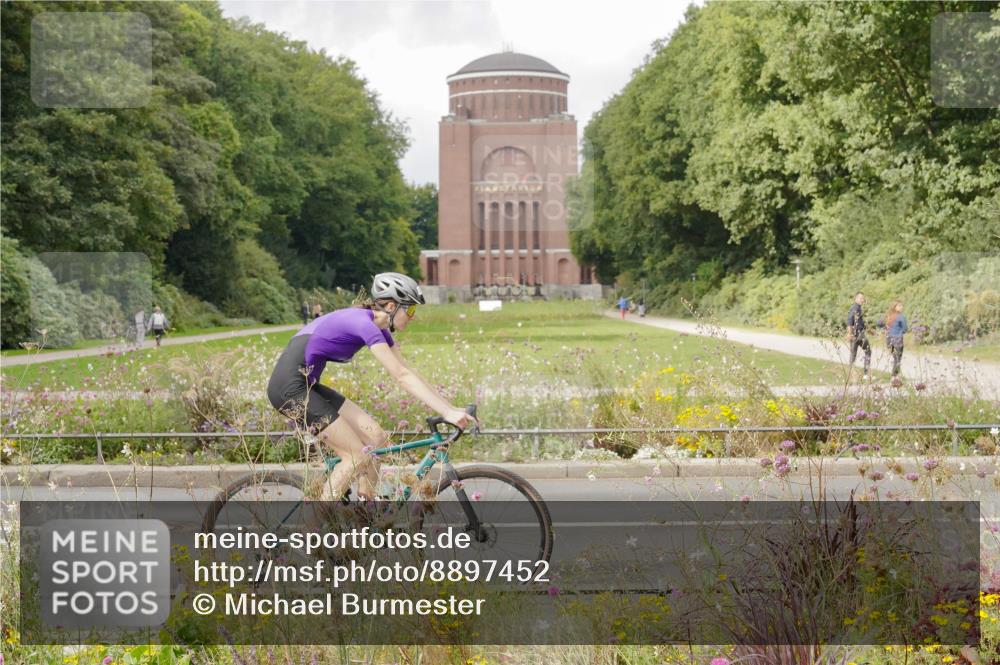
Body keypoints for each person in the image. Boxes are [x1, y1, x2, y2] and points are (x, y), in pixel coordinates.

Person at [267, 272, 478, 505]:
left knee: (376, 439)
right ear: (390, 306)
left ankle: (367, 515)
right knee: (355, 456)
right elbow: (401, 376)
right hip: (288, 389)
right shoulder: (363, 323)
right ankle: (314, 533)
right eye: (409, 310)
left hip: (306, 385)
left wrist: (449, 408)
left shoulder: (379, 329)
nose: (413, 317)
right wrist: (448, 413)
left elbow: (407, 370)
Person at [846, 292, 872, 380]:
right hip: (857, 335)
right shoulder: (855, 308)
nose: (862, 300)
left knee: (854, 355)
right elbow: (850, 322)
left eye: (863, 298)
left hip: (859, 335)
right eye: (860, 298)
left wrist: (870, 331)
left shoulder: (858, 308)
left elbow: (861, 323)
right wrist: (849, 334)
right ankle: (862, 374)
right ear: (856, 299)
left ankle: (854, 375)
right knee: (867, 351)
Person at [885, 301, 909, 378]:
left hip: (889, 340)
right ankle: (894, 376)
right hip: (897, 340)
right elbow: (905, 329)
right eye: (899, 306)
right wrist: (901, 331)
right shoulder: (901, 317)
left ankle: (896, 375)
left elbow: (879, 323)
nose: (901, 307)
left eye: (902, 306)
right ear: (894, 307)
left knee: (895, 357)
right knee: (898, 358)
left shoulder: (889, 316)